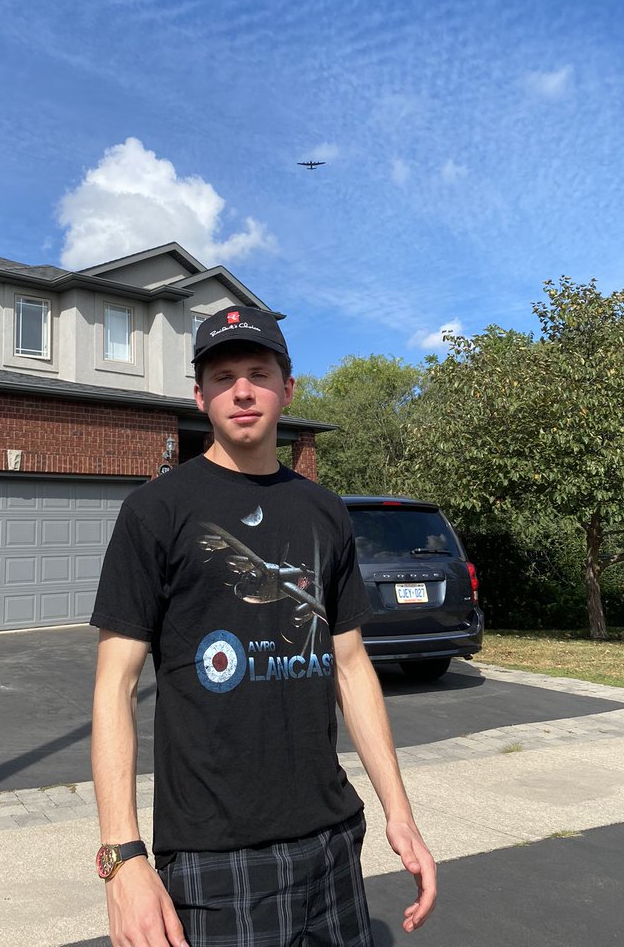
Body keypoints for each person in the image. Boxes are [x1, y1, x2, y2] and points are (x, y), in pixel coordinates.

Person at [90, 306, 437, 947]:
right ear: (200, 396)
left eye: (258, 372)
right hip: (214, 856)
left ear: (288, 388)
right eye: (223, 377)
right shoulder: (155, 510)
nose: (242, 390)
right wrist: (123, 860)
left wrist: (399, 811)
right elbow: (114, 688)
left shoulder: (324, 511)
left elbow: (352, 665)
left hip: (332, 837)